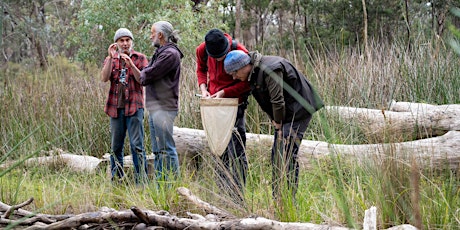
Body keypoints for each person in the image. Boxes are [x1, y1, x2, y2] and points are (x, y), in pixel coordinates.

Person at [223, 50, 324, 201]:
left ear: (244, 66)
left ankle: (288, 200)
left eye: (234, 72)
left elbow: (277, 101)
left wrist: (278, 123)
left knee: (287, 154)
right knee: (277, 156)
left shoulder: (270, 69)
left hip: (299, 109)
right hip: (287, 112)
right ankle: (278, 199)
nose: (234, 77)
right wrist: (275, 120)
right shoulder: (254, 72)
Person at [196, 28, 251, 203]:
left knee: (236, 151)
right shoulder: (202, 50)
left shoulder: (240, 51)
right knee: (218, 149)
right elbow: (201, 69)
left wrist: (225, 92)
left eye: (221, 56)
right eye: (216, 57)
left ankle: (238, 198)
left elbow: (248, 83)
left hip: (235, 105)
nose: (219, 60)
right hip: (214, 106)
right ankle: (223, 196)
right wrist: (204, 89)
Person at [100, 28, 149, 184]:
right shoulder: (111, 59)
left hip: (135, 108)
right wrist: (109, 57)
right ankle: (117, 180)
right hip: (115, 109)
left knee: (137, 146)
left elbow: (143, 80)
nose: (125, 43)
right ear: (117, 43)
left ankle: (141, 182)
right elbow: (104, 78)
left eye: (128, 40)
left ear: (131, 42)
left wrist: (131, 65)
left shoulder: (140, 58)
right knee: (116, 147)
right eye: (121, 40)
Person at [140, 21, 183, 181]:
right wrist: (145, 72)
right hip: (156, 107)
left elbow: (148, 75)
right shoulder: (161, 52)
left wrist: (145, 73)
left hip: (164, 108)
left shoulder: (170, 54)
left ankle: (173, 187)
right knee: (158, 150)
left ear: (160, 35)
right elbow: (146, 72)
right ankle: (160, 186)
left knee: (166, 149)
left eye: (152, 32)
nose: (151, 35)